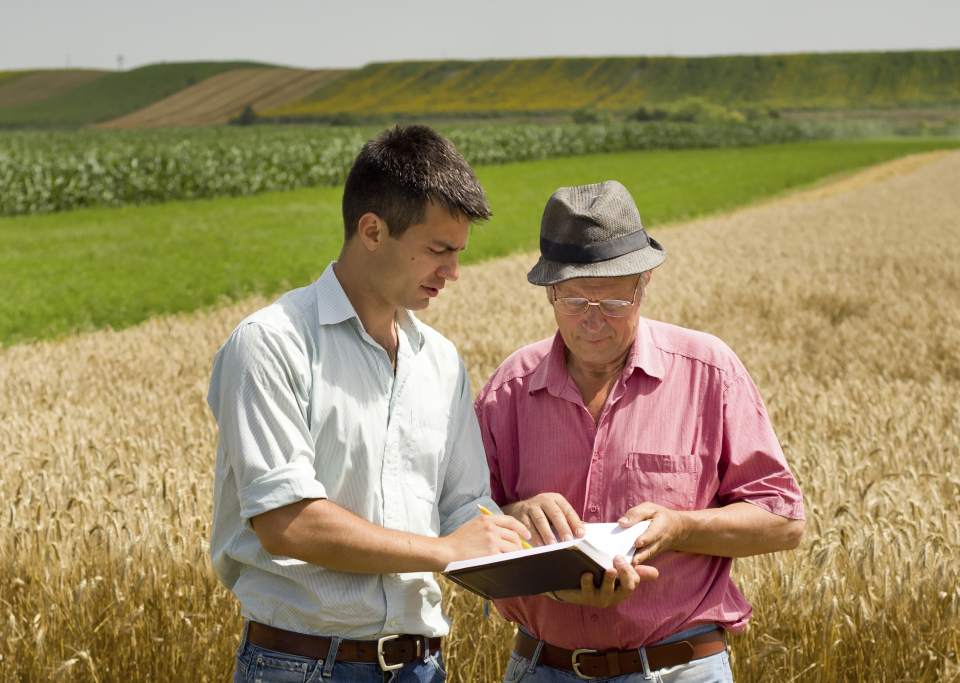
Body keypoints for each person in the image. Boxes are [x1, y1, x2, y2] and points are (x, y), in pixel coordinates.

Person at [208, 125, 530, 683]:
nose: (453, 272)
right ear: (373, 231)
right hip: (301, 666)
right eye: (438, 251)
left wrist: (539, 548)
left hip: (422, 668)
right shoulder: (272, 343)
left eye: (458, 253)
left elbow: (463, 507)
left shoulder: (442, 361)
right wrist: (441, 550)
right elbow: (287, 522)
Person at [474, 181, 805, 683]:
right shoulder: (509, 390)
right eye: (575, 301)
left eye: (612, 303)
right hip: (543, 667)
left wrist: (681, 527)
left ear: (644, 283)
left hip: (680, 667)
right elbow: (461, 520)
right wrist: (518, 517)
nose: (592, 323)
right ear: (549, 291)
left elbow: (783, 521)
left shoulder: (708, 372)